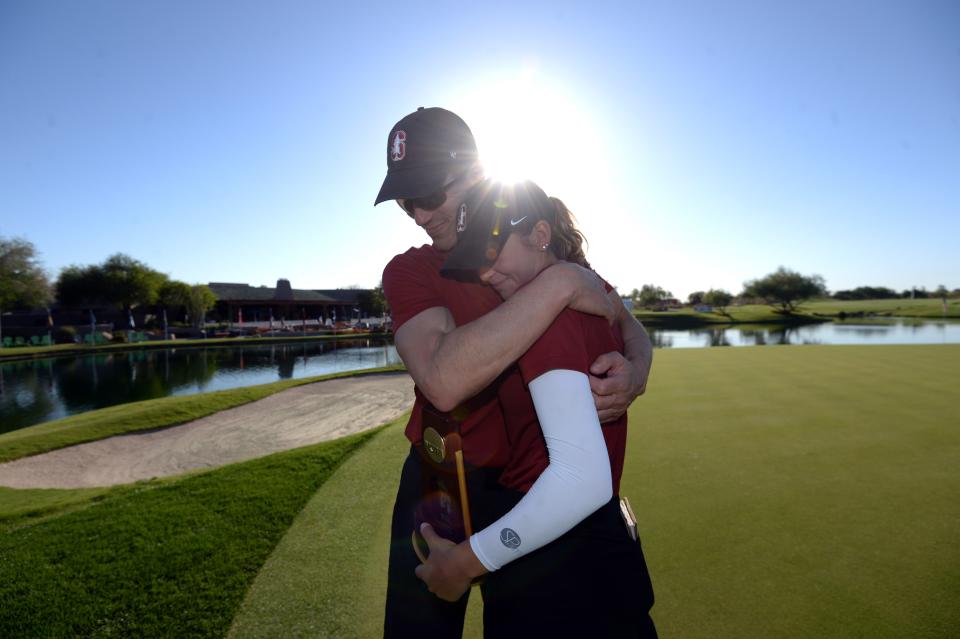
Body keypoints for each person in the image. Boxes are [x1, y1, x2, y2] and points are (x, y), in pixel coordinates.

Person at [375, 107, 653, 638]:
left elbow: (625, 321)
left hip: (526, 481)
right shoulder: (411, 269)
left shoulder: (524, 249)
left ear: (476, 174)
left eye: (429, 196)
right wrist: (561, 285)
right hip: (441, 481)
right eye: (406, 202)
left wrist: (638, 371)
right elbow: (441, 379)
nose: (417, 215)